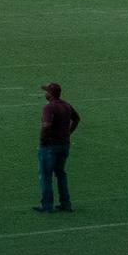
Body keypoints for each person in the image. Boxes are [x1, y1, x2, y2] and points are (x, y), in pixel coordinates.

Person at [35, 83, 81, 213]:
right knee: (60, 174)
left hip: (50, 146)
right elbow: (77, 119)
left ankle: (47, 206)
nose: (45, 93)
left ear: (50, 94)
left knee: (45, 175)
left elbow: (46, 125)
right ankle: (66, 204)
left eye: (47, 91)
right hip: (64, 145)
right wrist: (68, 133)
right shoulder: (66, 105)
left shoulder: (49, 108)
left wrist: (42, 140)